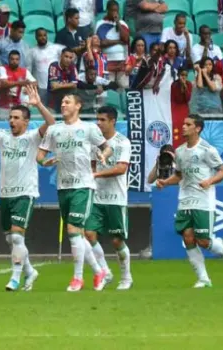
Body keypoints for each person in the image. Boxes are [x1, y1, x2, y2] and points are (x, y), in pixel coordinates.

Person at [0, 84, 55, 291]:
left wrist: (38, 104)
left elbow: (51, 123)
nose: (11, 121)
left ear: (26, 122)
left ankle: (15, 278)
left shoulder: (33, 137)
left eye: (16, 118)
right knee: (11, 239)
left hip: (25, 193)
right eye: (10, 117)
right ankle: (30, 271)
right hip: (5, 193)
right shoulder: (2, 137)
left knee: (17, 236)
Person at [37, 94, 112, 292]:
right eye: (61, 102)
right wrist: (43, 162)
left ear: (78, 106)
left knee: (73, 231)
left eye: (67, 102)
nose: (63, 104)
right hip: (63, 187)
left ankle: (78, 278)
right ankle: (99, 271)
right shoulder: (54, 130)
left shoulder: (88, 128)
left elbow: (107, 147)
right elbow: (40, 154)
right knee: (77, 234)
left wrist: (103, 156)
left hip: (83, 185)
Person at [156, 114, 223, 288]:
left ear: (198, 128)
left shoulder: (207, 150)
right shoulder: (179, 151)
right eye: (184, 123)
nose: (183, 126)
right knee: (187, 237)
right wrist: (165, 181)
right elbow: (179, 175)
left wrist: (209, 181)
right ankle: (203, 279)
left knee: (203, 240)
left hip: (203, 200)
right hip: (185, 199)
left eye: (188, 124)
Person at [84, 106, 133, 291]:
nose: (98, 123)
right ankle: (106, 271)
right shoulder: (94, 143)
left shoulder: (123, 142)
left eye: (103, 120)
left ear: (113, 121)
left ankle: (126, 277)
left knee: (116, 240)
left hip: (116, 198)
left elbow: (121, 168)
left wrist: (96, 175)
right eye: (97, 119)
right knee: (88, 234)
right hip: (96, 197)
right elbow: (91, 166)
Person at [95, 0, 129, 88]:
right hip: (107, 63)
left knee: (124, 86)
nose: (115, 13)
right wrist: (118, 41)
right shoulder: (100, 24)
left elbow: (125, 39)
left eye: (116, 10)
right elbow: (102, 42)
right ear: (107, 10)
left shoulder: (123, 24)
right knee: (108, 87)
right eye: (112, 10)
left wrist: (118, 23)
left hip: (122, 62)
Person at [28, 28, 65, 105]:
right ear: (36, 37)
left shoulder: (56, 48)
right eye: (40, 35)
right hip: (40, 88)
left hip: (56, 86)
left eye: (44, 35)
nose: (43, 37)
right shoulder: (32, 51)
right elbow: (28, 70)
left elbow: (70, 56)